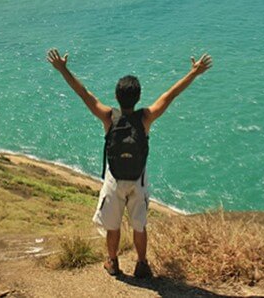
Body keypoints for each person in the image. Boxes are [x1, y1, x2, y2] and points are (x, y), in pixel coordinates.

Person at [46, 48, 213, 278]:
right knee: (139, 225)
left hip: (114, 179)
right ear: (138, 96)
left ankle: (113, 262)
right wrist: (193, 73)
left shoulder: (108, 117)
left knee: (112, 226)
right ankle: (142, 264)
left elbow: (84, 94)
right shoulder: (146, 117)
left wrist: (63, 69)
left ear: (116, 97)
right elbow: (171, 94)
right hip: (139, 179)